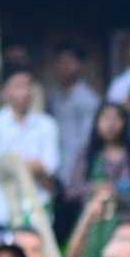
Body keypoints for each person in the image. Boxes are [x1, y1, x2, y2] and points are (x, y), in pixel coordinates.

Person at [0, 66, 59, 230]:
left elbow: (51, 166)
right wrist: (29, 165)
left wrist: (13, 164)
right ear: (5, 91)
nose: (25, 92)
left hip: (37, 208)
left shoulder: (47, 124)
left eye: (28, 86)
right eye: (18, 86)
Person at [47, 43, 101, 194]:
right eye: (60, 62)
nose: (64, 67)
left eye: (69, 62)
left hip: (78, 168)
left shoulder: (89, 99)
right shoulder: (54, 98)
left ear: (80, 65)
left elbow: (86, 141)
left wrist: (76, 173)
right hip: (56, 167)